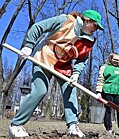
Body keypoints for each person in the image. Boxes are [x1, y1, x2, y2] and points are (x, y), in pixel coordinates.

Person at [9, 9, 104, 138]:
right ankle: (16, 125)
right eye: (95, 25)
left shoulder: (88, 40)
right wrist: (28, 46)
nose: (96, 29)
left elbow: (82, 59)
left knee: (70, 89)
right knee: (40, 90)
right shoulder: (65, 21)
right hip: (44, 58)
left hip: (63, 66)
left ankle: (72, 126)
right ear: (87, 21)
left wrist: (76, 73)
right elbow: (38, 27)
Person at [96, 53, 119, 137]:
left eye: (118, 60)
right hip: (107, 91)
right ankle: (109, 129)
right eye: (115, 59)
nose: (116, 61)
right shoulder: (104, 67)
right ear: (110, 59)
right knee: (108, 110)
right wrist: (99, 92)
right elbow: (101, 80)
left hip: (117, 92)